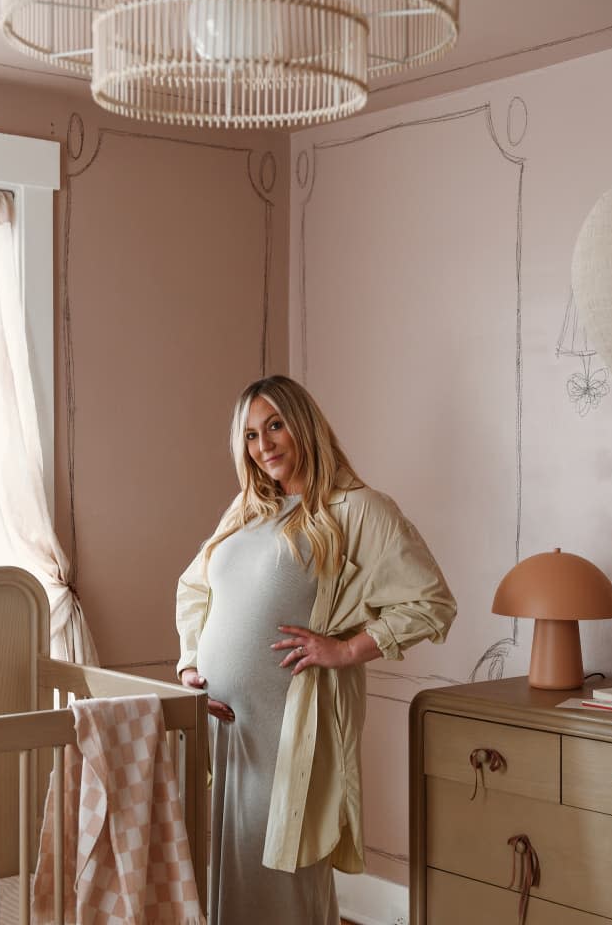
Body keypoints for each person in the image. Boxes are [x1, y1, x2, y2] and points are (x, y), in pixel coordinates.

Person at [176, 375, 456, 925]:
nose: (265, 445)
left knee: (282, 873)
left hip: (288, 722)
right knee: (226, 866)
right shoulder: (248, 509)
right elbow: (196, 588)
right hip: (224, 723)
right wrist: (191, 663)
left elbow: (432, 603)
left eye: (275, 425)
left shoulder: (360, 509)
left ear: (304, 422)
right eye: (252, 436)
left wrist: (348, 649)